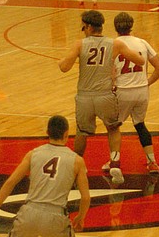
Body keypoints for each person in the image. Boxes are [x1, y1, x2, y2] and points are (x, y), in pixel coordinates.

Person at [58, 10, 144, 185]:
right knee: (113, 129)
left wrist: (62, 61)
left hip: (85, 96)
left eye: (83, 26)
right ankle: (115, 163)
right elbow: (140, 61)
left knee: (82, 132)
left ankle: (77, 168)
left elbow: (64, 67)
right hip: (105, 95)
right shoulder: (115, 44)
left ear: (88, 26)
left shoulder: (79, 44)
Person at [113, 12, 159, 173]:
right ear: (131, 25)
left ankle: (114, 162)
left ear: (115, 27)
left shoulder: (113, 44)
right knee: (140, 125)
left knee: (113, 127)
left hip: (123, 91)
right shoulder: (142, 42)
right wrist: (146, 83)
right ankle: (152, 162)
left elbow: (109, 71)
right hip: (142, 91)